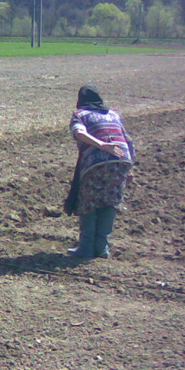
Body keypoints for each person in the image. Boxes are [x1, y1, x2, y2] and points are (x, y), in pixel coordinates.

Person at [64, 85, 135, 258]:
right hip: (121, 160)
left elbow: (79, 133)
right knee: (109, 202)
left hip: (96, 163)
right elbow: (128, 140)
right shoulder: (114, 114)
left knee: (89, 202)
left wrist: (101, 145)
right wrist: (130, 167)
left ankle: (86, 248)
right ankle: (102, 248)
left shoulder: (80, 115)